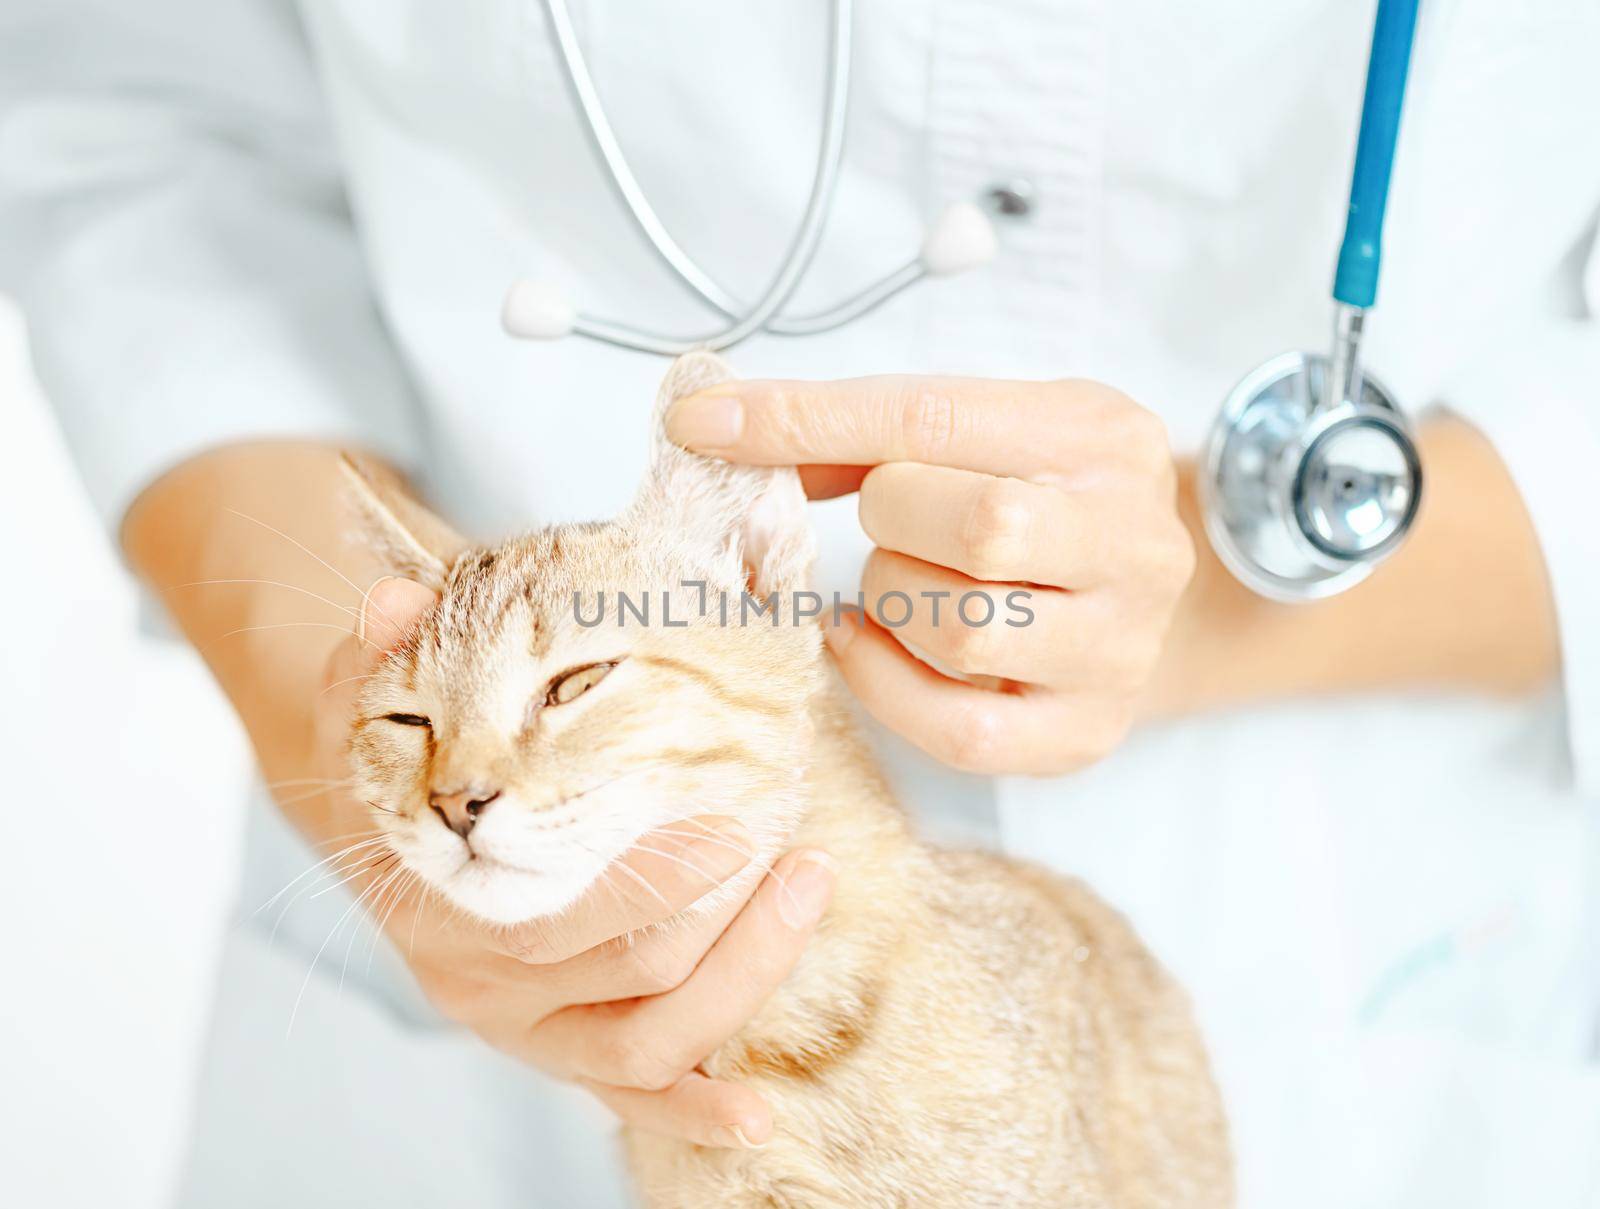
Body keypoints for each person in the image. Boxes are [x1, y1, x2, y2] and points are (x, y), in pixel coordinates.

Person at [4, 1, 1598, 1205]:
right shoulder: (463, 761)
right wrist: (336, 709)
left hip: (1387, 947)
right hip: (462, 1091)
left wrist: (1231, 582)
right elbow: (142, 152)